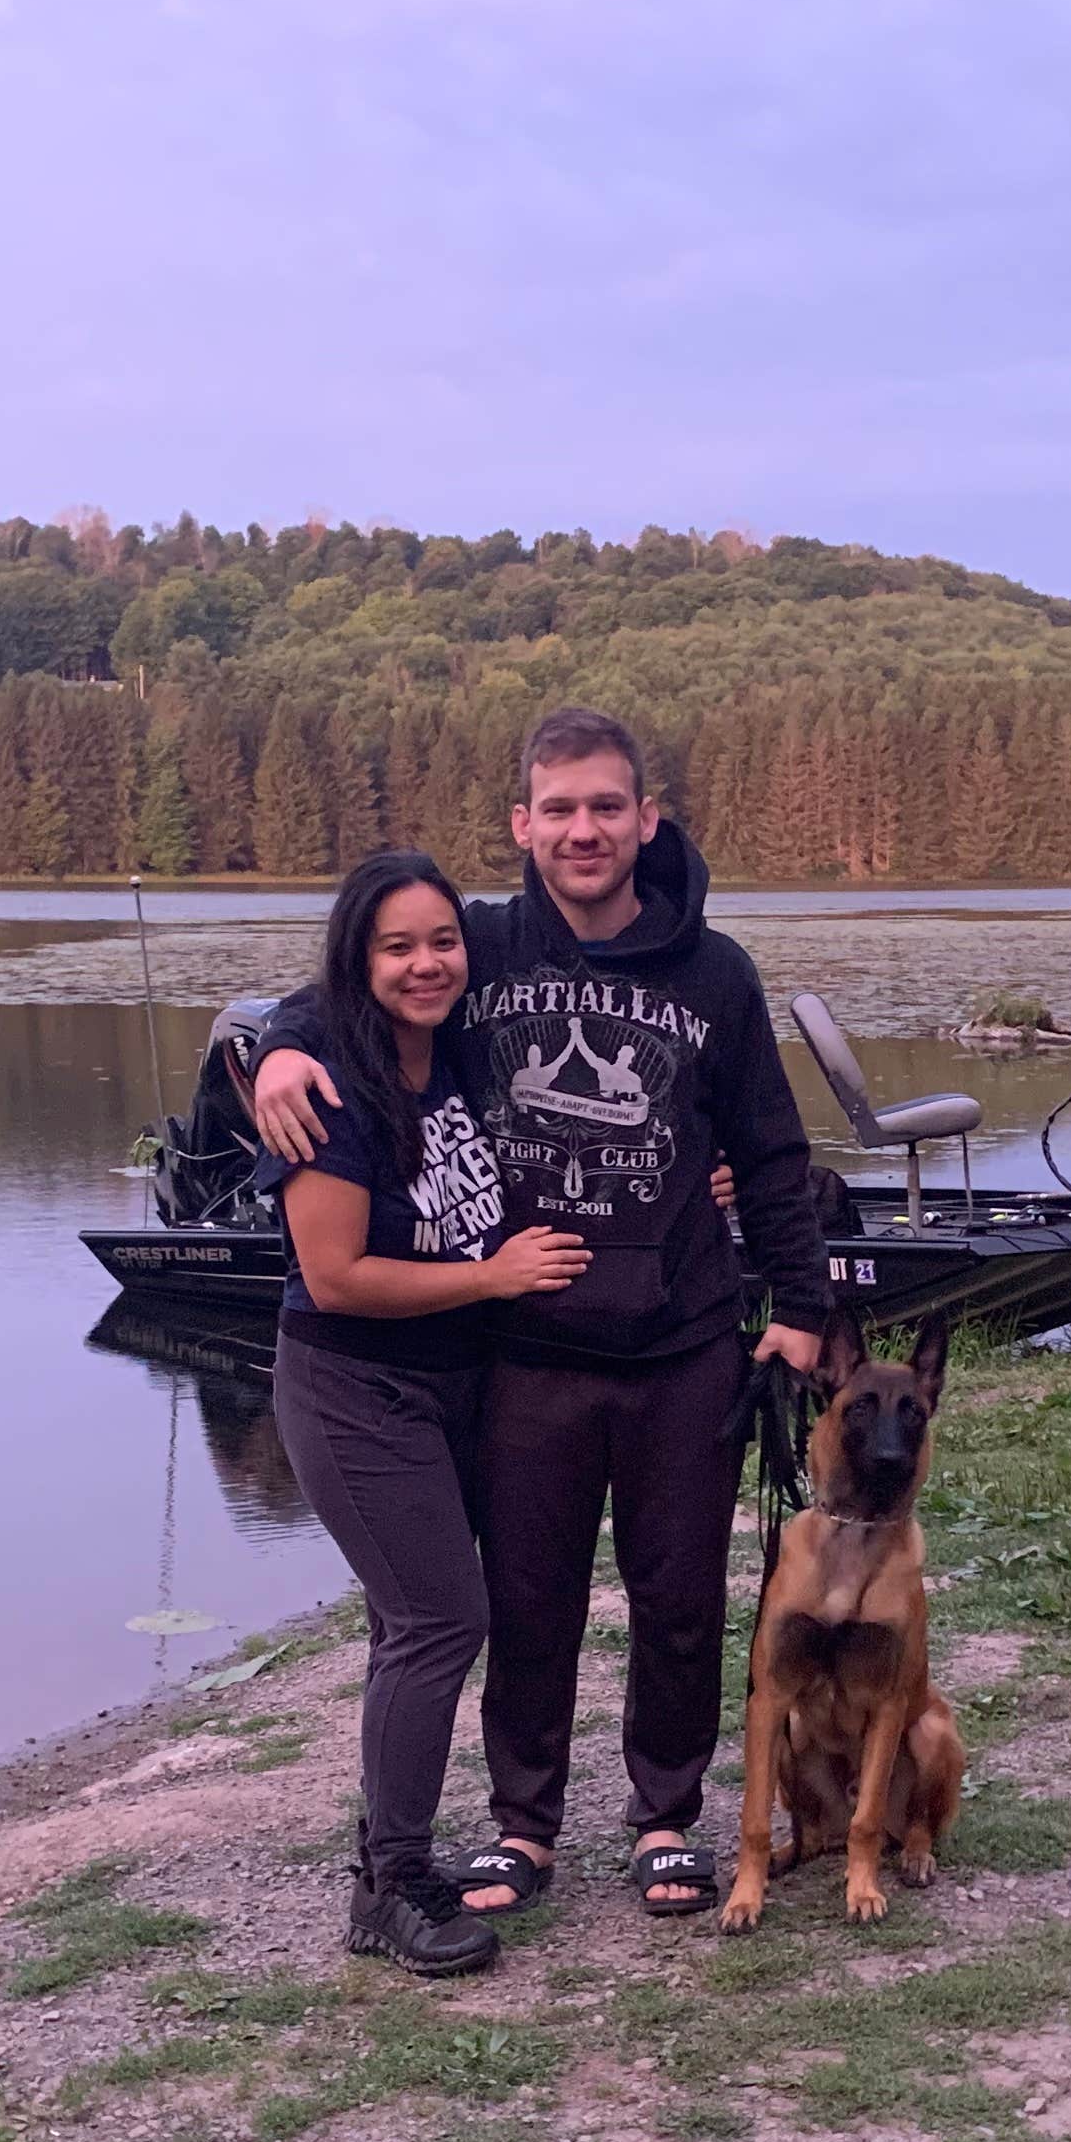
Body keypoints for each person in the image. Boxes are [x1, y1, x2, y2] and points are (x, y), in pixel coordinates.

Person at [253, 709, 831, 1919]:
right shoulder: (485, 948)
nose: (584, 830)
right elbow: (361, 992)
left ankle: (666, 1813)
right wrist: (269, 1053)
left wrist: (802, 1308)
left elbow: (772, 1154)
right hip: (522, 1346)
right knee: (528, 1599)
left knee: (680, 1596)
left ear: (645, 820)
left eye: (606, 807)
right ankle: (526, 1826)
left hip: (683, 1340)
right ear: (522, 825)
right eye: (559, 809)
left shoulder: (716, 972)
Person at [261, 849, 592, 1975]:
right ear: (358, 960)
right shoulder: (331, 1086)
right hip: (355, 1386)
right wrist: (495, 1278)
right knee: (441, 1619)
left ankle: (393, 1853)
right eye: (395, 947)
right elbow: (339, 1273)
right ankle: (388, 1887)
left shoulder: (451, 1051)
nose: (425, 964)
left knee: (413, 1621)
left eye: (441, 942)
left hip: (454, 1386)